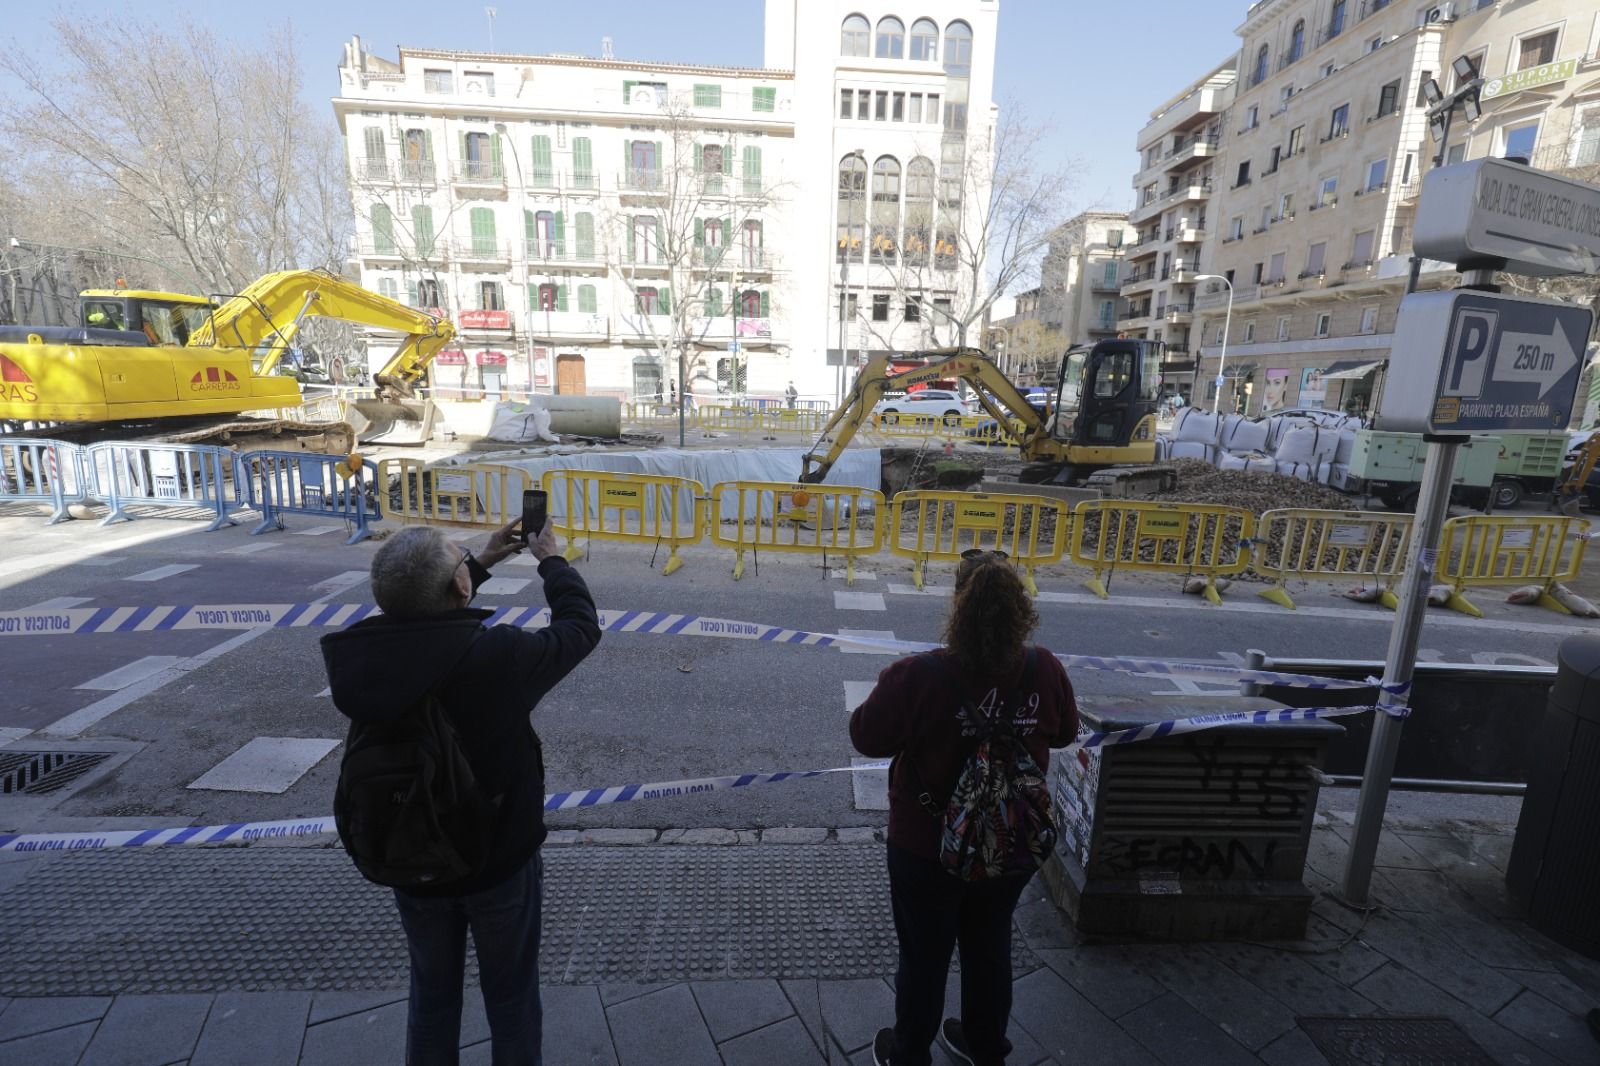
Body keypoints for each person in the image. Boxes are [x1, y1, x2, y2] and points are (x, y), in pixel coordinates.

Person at [321, 519, 600, 1065]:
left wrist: (481, 562)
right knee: (511, 999)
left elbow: (416, 612)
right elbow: (579, 629)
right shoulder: (497, 658)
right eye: (461, 559)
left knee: (431, 996)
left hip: (408, 850)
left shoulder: (363, 658)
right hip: (497, 860)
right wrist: (553, 563)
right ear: (461, 589)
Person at [851, 550, 1078, 1066]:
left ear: (958, 605)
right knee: (990, 945)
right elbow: (1065, 733)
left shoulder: (918, 675)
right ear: (1021, 608)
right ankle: (985, 1047)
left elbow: (865, 736)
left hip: (925, 842)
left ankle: (910, 1054)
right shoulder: (1045, 669)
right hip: (1010, 837)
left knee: (925, 955)